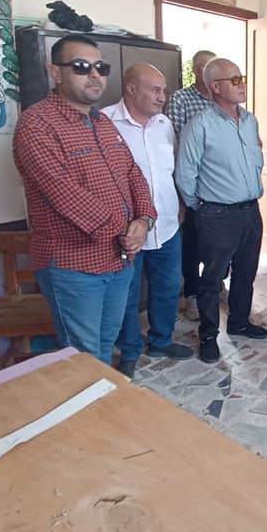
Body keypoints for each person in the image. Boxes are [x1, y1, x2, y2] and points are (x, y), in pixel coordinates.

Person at [12, 34, 156, 365]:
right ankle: (93, 398)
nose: (94, 75)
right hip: (74, 266)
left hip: (118, 259)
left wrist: (144, 221)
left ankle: (104, 394)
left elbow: (133, 174)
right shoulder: (36, 125)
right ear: (55, 72)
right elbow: (63, 192)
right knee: (84, 355)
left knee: (106, 343)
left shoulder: (102, 122)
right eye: (81, 66)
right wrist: (126, 231)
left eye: (100, 68)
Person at [103, 64, 194, 378]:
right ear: (131, 89)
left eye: (163, 90)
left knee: (168, 287)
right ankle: (129, 350)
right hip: (126, 231)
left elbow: (171, 170)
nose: (162, 97)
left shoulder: (164, 124)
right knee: (126, 295)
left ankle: (161, 341)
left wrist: (180, 204)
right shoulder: (104, 122)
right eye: (155, 90)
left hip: (166, 224)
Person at [175, 58, 267, 364]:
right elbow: (185, 174)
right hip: (216, 214)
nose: (242, 84)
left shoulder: (250, 121)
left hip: (250, 211)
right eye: (235, 79)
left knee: (246, 272)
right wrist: (200, 207)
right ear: (215, 86)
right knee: (212, 281)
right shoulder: (199, 125)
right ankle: (208, 335)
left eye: (242, 77)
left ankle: (239, 322)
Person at [166, 49, 217, 323]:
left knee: (218, 243)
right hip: (193, 184)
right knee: (193, 243)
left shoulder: (221, 99)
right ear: (196, 70)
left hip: (220, 186)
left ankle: (214, 285)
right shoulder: (181, 99)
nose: (210, 73)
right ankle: (193, 294)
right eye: (205, 67)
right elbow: (175, 142)